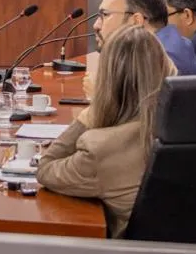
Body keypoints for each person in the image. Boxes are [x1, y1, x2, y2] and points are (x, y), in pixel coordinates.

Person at [36, 25, 176, 238]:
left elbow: (45, 169)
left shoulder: (101, 149)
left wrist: (93, 111)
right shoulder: (190, 126)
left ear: (107, 82)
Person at [91, 0, 196, 76]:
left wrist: (97, 92)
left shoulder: (159, 60)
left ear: (136, 21)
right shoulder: (169, 43)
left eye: (105, 15)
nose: (96, 25)